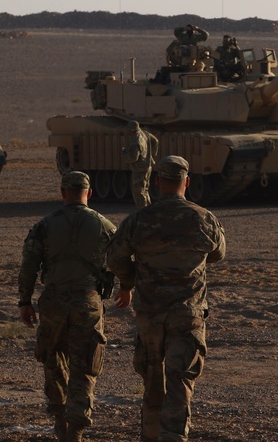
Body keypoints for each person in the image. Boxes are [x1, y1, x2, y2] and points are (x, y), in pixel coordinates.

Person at [108, 155, 226, 442]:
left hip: (150, 313)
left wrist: (129, 281)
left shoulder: (138, 220)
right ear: (186, 182)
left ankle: (150, 436)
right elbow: (218, 255)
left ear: (158, 182)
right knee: (180, 380)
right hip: (187, 314)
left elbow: (115, 258)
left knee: (152, 380)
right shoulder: (203, 218)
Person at [18, 171, 121, 442]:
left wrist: (25, 301)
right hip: (88, 302)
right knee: (84, 366)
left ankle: (60, 420)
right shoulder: (105, 225)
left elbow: (29, 265)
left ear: (63, 192)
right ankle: (74, 430)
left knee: (53, 361)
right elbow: (121, 259)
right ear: (89, 193)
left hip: (54, 301)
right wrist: (128, 287)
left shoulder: (45, 225)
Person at [124, 120, 159, 208]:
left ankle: (142, 210)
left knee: (138, 191)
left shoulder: (135, 140)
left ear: (132, 130)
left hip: (139, 169)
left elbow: (134, 158)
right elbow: (156, 141)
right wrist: (152, 154)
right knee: (145, 190)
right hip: (148, 166)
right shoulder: (145, 134)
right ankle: (148, 209)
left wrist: (126, 154)